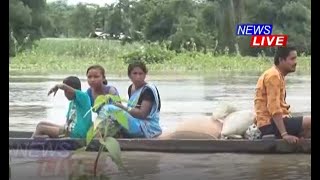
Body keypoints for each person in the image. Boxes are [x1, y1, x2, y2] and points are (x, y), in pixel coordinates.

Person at [254, 46, 311, 144]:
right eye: (292, 59)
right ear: (281, 60)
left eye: (296, 58)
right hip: (269, 124)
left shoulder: (278, 75)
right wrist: (284, 134)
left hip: (272, 123)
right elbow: (274, 108)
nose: (296, 62)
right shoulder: (273, 76)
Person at [100, 61, 162, 138]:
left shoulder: (148, 90)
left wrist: (122, 108)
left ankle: (98, 133)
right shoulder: (131, 88)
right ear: (129, 75)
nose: (138, 77)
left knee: (109, 108)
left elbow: (142, 114)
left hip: (146, 127)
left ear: (145, 75)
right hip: (135, 123)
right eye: (135, 73)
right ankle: (104, 133)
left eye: (140, 73)